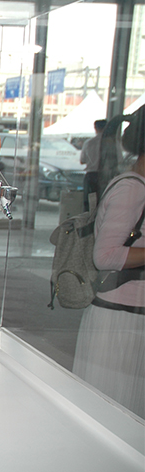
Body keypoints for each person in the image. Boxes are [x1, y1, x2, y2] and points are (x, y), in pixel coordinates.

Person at [73, 109, 145, 418]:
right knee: (112, 416)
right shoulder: (131, 190)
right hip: (120, 321)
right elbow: (105, 257)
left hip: (129, 316)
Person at [80, 118, 107, 211]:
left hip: (91, 175)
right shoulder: (113, 143)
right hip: (105, 176)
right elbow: (119, 160)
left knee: (88, 204)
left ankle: (88, 220)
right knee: (104, 203)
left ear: (95, 128)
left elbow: (82, 160)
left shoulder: (88, 143)